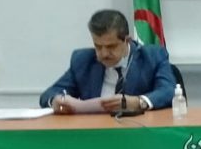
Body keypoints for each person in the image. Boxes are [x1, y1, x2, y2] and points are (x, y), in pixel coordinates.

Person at [40, 9, 176, 113]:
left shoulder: (152, 56)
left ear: (127, 40)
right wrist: (55, 101)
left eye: (111, 47)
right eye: (98, 46)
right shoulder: (83, 60)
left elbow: (168, 91)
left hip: (139, 132)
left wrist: (139, 102)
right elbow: (49, 94)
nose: (104, 54)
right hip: (95, 132)